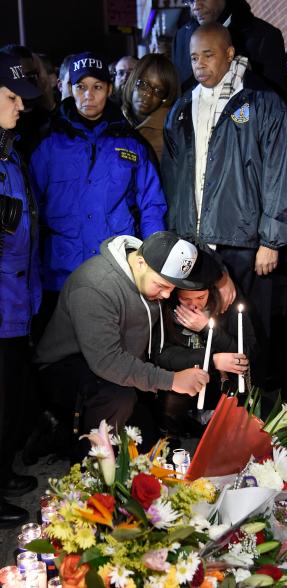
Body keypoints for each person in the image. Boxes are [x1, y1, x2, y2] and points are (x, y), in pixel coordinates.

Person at [162, 23, 287, 383]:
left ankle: (254, 417)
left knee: (250, 335)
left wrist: (272, 240)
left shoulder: (262, 102)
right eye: (194, 57)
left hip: (244, 243)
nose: (199, 64)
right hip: (194, 244)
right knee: (203, 334)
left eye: (208, 55)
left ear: (229, 53)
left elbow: (283, 171)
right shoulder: (182, 107)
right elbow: (174, 180)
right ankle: (210, 415)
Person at [34, 232, 211, 458]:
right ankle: (88, 467)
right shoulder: (95, 285)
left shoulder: (151, 273)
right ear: (140, 262)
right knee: (119, 398)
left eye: (172, 288)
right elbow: (106, 361)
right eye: (162, 285)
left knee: (149, 447)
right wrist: (171, 380)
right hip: (66, 367)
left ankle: (61, 436)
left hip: (119, 365)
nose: (167, 295)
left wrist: (224, 281)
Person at [29, 51, 167, 315]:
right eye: (81, 87)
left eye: (97, 87)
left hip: (116, 274)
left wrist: (152, 262)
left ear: (110, 89)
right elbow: (32, 214)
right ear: (69, 88)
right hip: (60, 278)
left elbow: (152, 206)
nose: (88, 95)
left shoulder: (132, 142)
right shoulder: (46, 142)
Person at [0, 53, 43, 527]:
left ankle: (3, 470)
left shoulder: (9, 152)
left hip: (14, 298)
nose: (21, 108)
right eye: (12, 97)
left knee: (10, 400)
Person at [155, 262, 256, 438]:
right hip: (183, 390)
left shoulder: (226, 304)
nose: (194, 305)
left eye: (200, 298)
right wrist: (212, 360)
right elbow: (162, 356)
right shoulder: (166, 309)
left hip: (221, 387)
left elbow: (247, 352)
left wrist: (207, 329)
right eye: (186, 299)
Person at [172, 0, 287, 94]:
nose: (196, 6)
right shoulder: (181, 38)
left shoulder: (265, 36)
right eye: (190, 1)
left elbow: (278, 106)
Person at [122, 53, 180, 162]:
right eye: (143, 85)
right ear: (133, 80)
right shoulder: (114, 119)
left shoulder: (166, 135)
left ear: (165, 97)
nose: (148, 95)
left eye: (158, 91)